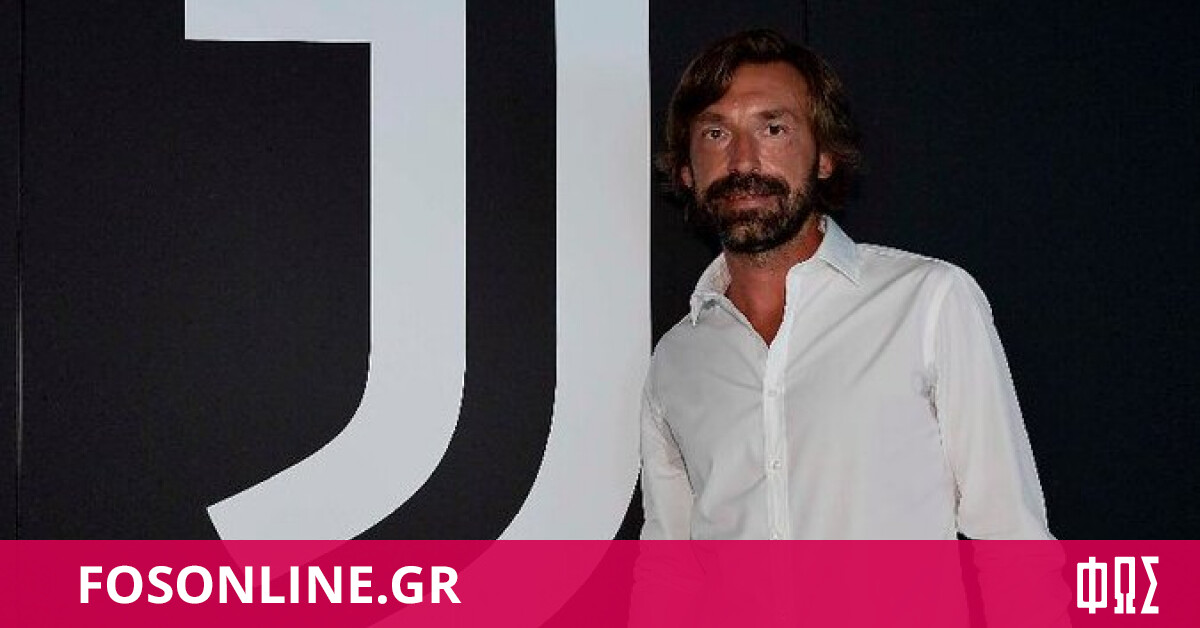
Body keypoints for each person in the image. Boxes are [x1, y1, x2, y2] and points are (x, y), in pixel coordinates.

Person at [640, 28, 1053, 543]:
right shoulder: (677, 360)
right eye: (716, 133)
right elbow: (669, 565)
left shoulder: (928, 304)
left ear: (825, 156)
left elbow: (1011, 538)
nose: (743, 160)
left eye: (773, 129)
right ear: (686, 171)